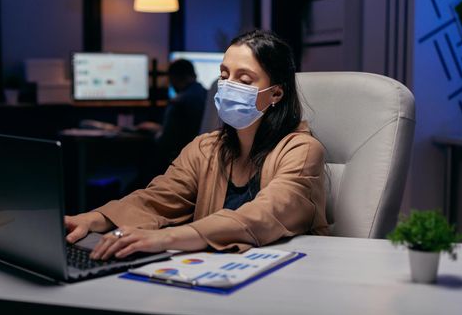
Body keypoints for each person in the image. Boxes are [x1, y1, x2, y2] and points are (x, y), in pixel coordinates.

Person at [65, 30, 328, 260]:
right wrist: (96, 219)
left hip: (285, 276)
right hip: (218, 270)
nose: (227, 86)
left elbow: (264, 214)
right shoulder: (206, 148)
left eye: (244, 80)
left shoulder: (301, 150)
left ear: (276, 93)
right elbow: (157, 200)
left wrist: (167, 239)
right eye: (224, 76)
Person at [134, 59, 207, 184]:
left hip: (178, 162)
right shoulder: (208, 96)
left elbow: (165, 142)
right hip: (201, 160)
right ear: (194, 75)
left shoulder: (178, 102)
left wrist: (156, 132)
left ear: (173, 78)